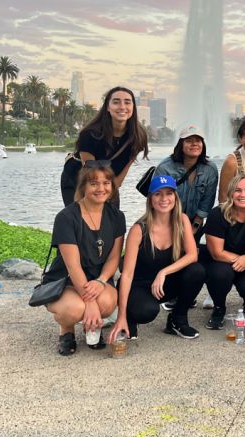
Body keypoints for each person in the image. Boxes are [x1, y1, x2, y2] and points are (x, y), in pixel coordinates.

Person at [110, 175, 205, 342]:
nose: (164, 199)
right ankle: (130, 318)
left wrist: (163, 272)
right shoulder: (139, 230)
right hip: (140, 286)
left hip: (164, 283)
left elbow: (192, 255)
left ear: (175, 197)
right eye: (158, 194)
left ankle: (177, 319)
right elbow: (126, 275)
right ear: (150, 199)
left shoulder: (182, 220)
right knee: (146, 311)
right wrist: (121, 315)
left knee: (197, 271)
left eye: (169, 193)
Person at [43, 162, 126, 356]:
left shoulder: (117, 216)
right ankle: (67, 330)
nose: (101, 188)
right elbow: (72, 266)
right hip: (67, 280)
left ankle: (91, 324)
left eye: (106, 183)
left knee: (107, 303)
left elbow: (114, 258)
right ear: (83, 186)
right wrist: (89, 303)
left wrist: (101, 280)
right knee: (75, 309)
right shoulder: (66, 217)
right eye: (94, 183)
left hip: (97, 279)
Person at [60, 86, 148, 207]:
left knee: (112, 218)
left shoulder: (137, 136)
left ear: (133, 107)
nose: (122, 107)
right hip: (78, 178)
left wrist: (110, 195)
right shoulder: (90, 134)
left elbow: (121, 176)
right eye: (116, 102)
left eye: (127, 102)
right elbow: (90, 175)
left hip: (109, 182)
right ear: (108, 107)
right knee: (79, 219)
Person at [202, 173, 245, 331]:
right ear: (231, 193)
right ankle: (219, 308)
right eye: (238, 190)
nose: (243, 195)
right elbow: (217, 252)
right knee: (220, 275)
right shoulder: (217, 214)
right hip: (221, 262)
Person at [154, 124, 219, 242]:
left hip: (194, 224)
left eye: (198, 140)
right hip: (166, 222)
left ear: (203, 145)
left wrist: (193, 229)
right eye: (189, 141)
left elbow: (207, 202)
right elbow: (158, 200)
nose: (194, 144)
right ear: (181, 145)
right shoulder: (165, 168)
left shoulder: (210, 169)